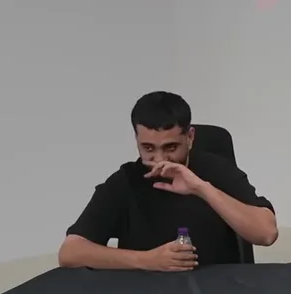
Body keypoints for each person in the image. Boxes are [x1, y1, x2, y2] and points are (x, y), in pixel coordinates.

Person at [58, 91, 278, 271]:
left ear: (189, 138)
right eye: (148, 148)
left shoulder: (217, 169)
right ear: (137, 140)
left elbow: (266, 233)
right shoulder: (124, 181)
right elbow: (70, 252)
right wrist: (147, 260)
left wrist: (201, 188)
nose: (160, 159)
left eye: (170, 147)